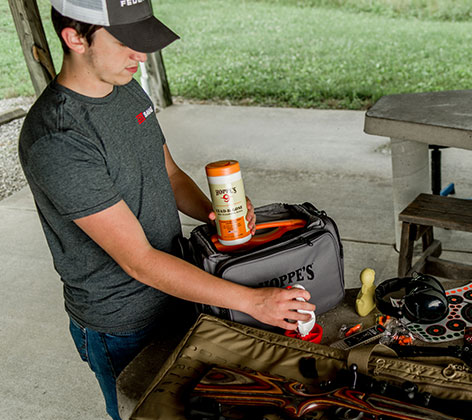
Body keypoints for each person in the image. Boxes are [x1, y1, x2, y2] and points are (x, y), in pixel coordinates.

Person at [18, 1, 314, 418]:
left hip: (181, 290)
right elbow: (138, 262)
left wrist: (219, 213)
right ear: (74, 38)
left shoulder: (125, 87)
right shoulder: (59, 140)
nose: (140, 57)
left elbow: (170, 175)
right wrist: (253, 301)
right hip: (124, 322)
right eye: (125, 43)